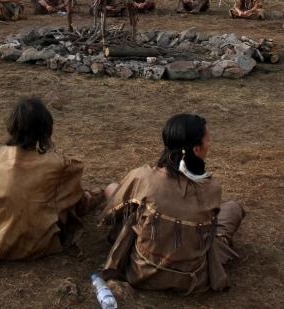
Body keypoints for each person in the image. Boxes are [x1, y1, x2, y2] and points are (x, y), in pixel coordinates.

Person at [100, 114, 244, 294]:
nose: (210, 143)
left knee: (112, 189)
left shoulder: (144, 178)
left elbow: (110, 214)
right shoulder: (212, 188)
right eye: (208, 139)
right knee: (233, 208)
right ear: (196, 149)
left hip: (141, 273)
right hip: (192, 279)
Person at [0, 97, 113, 261]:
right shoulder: (58, 164)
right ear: (46, 129)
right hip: (35, 246)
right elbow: (76, 201)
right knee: (72, 199)